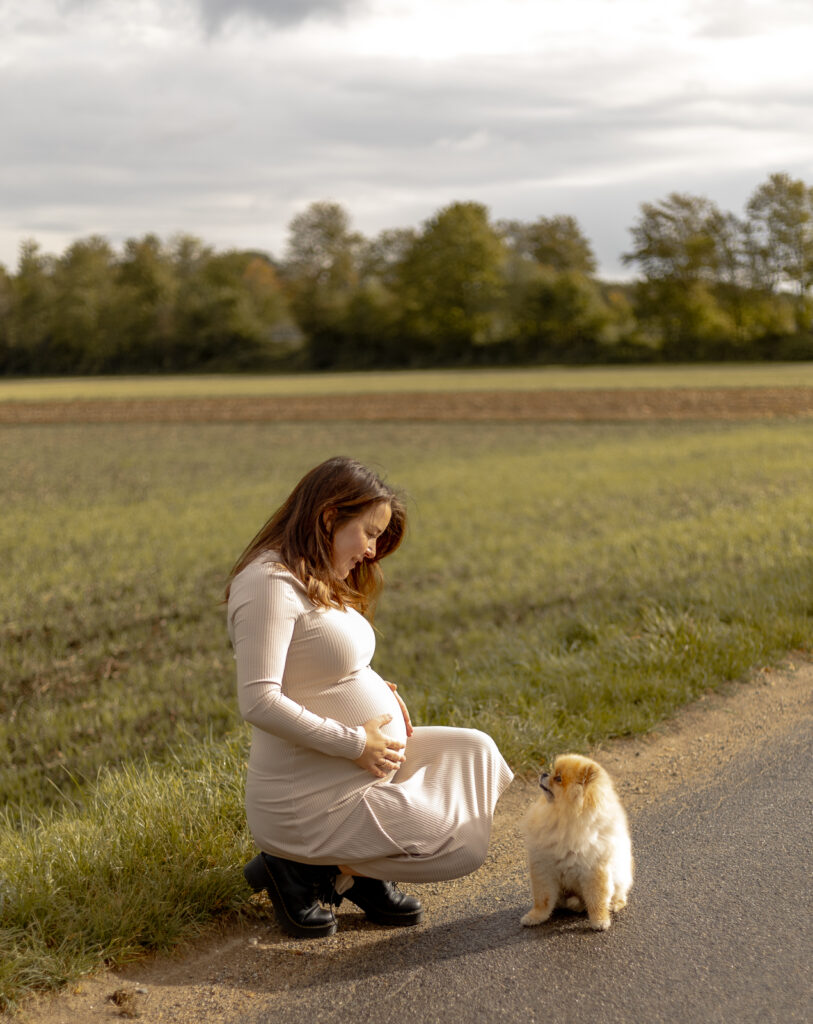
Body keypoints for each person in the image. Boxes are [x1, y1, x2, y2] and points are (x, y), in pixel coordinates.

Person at [226, 456, 513, 938]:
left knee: (476, 752)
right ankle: (295, 863)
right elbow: (258, 701)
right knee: (461, 846)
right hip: (309, 795)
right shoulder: (267, 584)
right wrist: (356, 742)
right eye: (370, 533)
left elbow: (325, 664)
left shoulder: (316, 577)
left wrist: (378, 690)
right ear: (328, 517)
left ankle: (345, 872)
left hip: (353, 769)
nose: (373, 551)